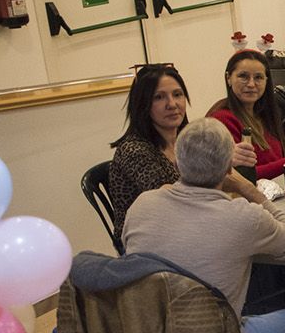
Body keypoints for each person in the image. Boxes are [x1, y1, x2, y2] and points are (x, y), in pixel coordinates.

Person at [121, 119, 285, 333]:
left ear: (178, 161)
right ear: (228, 168)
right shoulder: (243, 216)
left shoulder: (141, 206)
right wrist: (251, 191)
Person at [109, 63, 262, 232]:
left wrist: (229, 166)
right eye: (159, 97)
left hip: (191, 228)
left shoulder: (187, 139)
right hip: (150, 242)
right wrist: (220, 165)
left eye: (177, 94)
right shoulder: (134, 150)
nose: (172, 104)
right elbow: (177, 202)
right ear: (142, 105)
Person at [208, 49, 285, 183]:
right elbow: (242, 176)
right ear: (228, 78)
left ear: (267, 80)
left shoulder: (265, 114)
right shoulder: (221, 120)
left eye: (258, 77)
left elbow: (276, 156)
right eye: (243, 76)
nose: (251, 84)